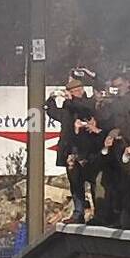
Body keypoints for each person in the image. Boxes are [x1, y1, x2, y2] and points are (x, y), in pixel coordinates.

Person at [45, 75, 98, 224]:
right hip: (71, 152)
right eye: (74, 91)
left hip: (87, 151)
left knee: (93, 182)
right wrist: (51, 98)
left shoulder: (86, 104)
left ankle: (98, 212)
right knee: (75, 183)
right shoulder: (67, 110)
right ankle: (78, 212)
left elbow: (82, 107)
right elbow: (52, 111)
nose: (78, 93)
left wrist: (70, 100)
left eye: (78, 90)